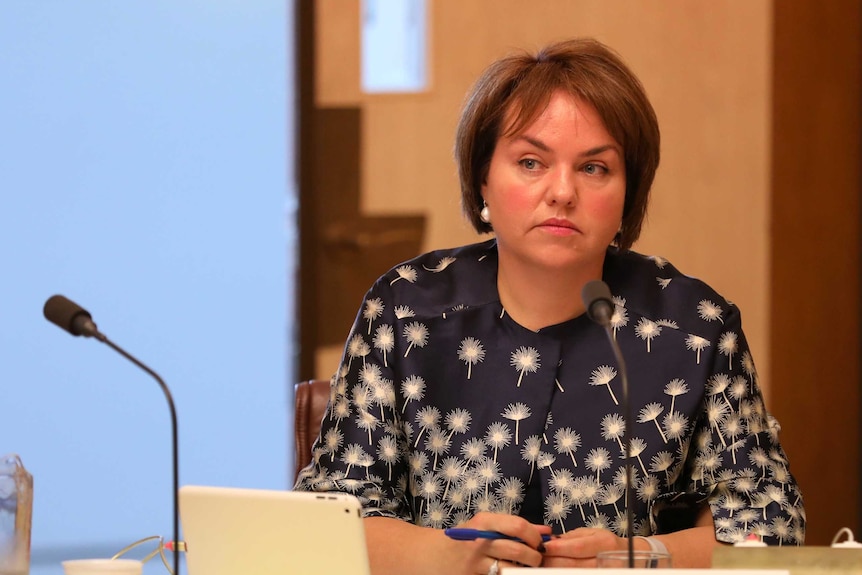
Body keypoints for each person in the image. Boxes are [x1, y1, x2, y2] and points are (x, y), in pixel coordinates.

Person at [294, 37, 805, 573]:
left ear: (629, 195)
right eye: (532, 162)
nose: (562, 192)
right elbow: (328, 520)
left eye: (594, 168)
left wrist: (645, 557)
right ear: (483, 181)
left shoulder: (695, 328)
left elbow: (771, 528)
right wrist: (440, 553)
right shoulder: (404, 310)